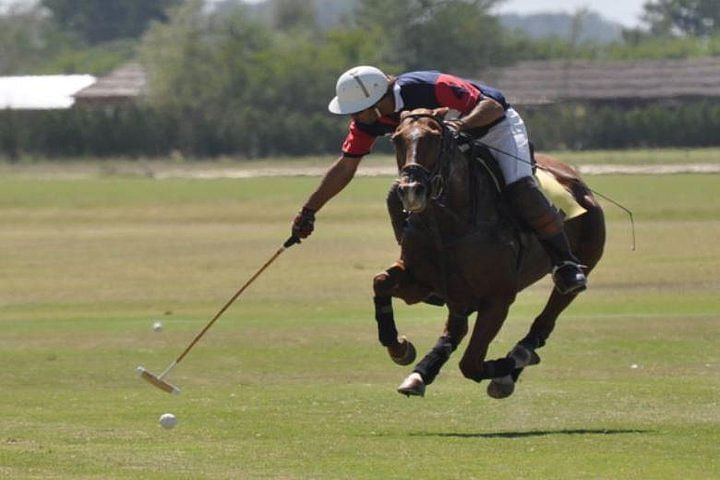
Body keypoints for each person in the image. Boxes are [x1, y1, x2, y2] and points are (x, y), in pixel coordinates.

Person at [291, 65, 586, 295]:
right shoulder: (369, 121)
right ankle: (418, 264)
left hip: (494, 130)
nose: (354, 118)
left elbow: (492, 106)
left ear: (377, 100)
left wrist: (459, 125)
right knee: (398, 195)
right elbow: (345, 167)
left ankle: (565, 262)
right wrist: (309, 211)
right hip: (444, 145)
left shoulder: (428, 86)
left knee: (519, 188)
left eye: (357, 110)